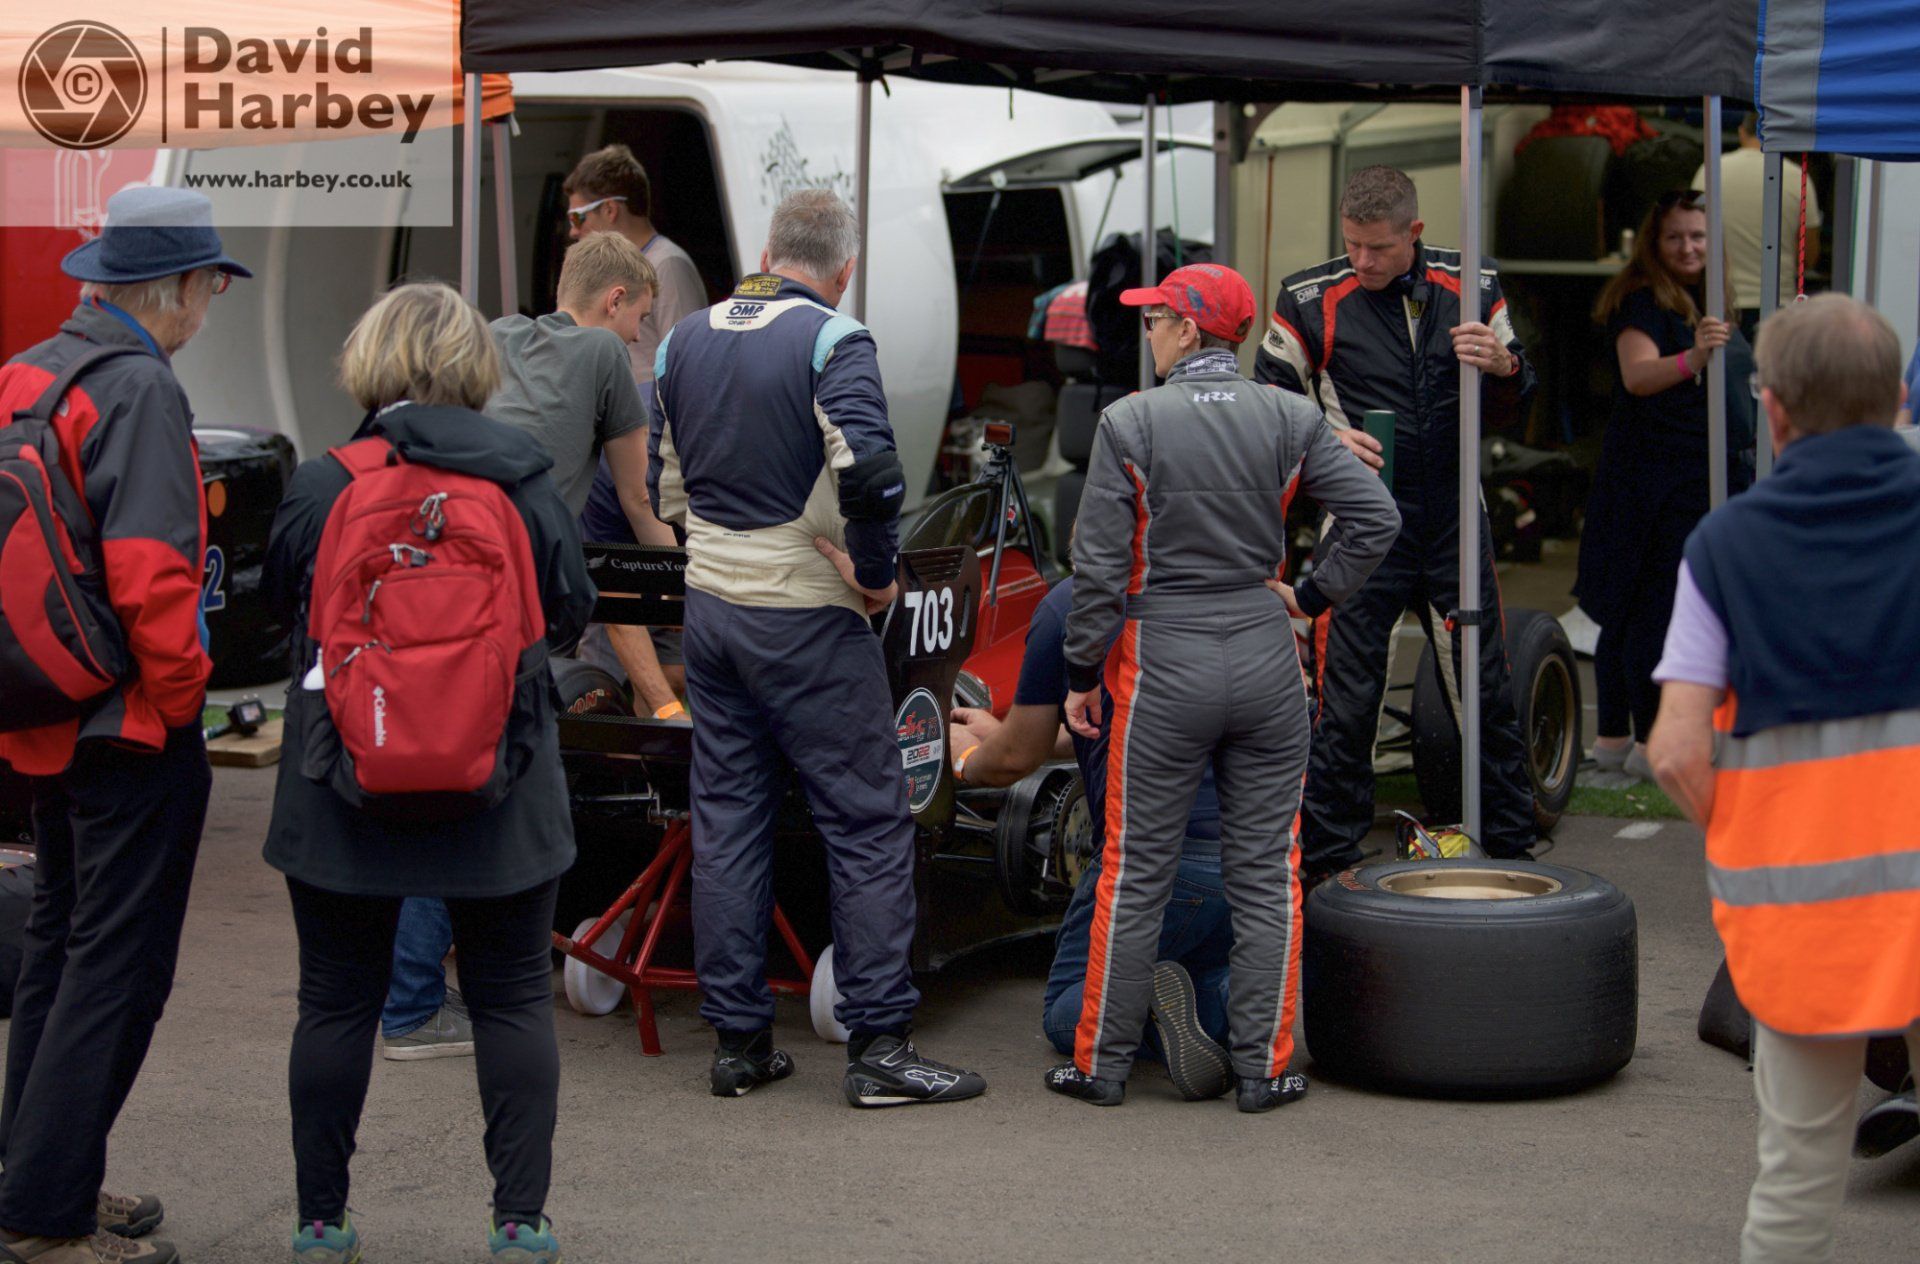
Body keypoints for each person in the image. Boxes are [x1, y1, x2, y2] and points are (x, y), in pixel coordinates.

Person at [262, 283, 594, 1264]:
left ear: (370, 363)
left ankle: (322, 1221)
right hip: (501, 776)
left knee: (333, 1001)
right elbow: (568, 608)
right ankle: (518, 1223)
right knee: (511, 999)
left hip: (342, 776)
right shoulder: (524, 479)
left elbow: (286, 606)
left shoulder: (325, 482)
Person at [650, 188, 985, 1107]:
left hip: (712, 609)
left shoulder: (684, 337)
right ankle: (880, 1049)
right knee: (869, 821)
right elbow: (873, 474)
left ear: (766, 248)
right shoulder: (835, 337)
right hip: (807, 613)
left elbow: (661, 477)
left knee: (727, 818)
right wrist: (877, 575)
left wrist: (717, 553)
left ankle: (739, 1046)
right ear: (846, 269)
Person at [1052, 262, 1400, 1111]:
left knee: (1133, 871)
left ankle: (1099, 1066)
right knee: (1270, 871)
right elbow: (1377, 518)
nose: (1148, 330)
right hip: (1263, 651)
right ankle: (1264, 1068)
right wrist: (1312, 593)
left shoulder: (1127, 421)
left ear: (1191, 330)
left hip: (1160, 660)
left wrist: (1078, 671)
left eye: (1157, 317)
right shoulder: (1289, 416)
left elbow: (1096, 571)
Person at [0, 187, 247, 1264]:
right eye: (210, 286)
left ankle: (39, 1174)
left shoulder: (28, 370)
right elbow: (153, 578)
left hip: (41, 707)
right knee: (117, 967)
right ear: (182, 287)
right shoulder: (142, 386)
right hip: (130, 723)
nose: (210, 307)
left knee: (59, 949)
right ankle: (44, 1215)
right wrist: (183, 699)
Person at [1646, 294, 1918, 1263]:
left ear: (1772, 410)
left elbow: (1676, 748)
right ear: (1897, 398)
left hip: (1812, 912)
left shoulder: (1724, 550)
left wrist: (1754, 828)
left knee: (1797, 1178)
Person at [379, 233, 679, 1064]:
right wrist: (699, 571)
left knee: (447, 794)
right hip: (511, 611)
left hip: (432, 593)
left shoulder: (494, 336)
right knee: (493, 810)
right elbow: (632, 504)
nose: (638, 339)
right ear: (615, 299)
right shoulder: (602, 357)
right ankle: (414, 1004)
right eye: (640, 321)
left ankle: (432, 988)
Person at [1254, 164, 1537, 880]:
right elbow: (1263, 409)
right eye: (1351, 245)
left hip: (1452, 517)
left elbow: (1519, 400)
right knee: (1345, 701)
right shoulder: (1308, 296)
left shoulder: (1473, 283)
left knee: (1486, 685)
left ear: (1414, 232)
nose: (1363, 261)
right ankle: (1328, 863)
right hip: (1358, 522)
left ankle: (1512, 847)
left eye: (1378, 248)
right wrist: (1323, 437)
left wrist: (1506, 366)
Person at [948, 571, 1236, 1101]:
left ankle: (1167, 1010)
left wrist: (963, 756)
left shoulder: (1071, 605)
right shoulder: (1231, 588)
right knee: (1204, 968)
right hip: (1252, 860)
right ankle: (1241, 1010)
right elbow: (1116, 720)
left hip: (1149, 860)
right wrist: (1006, 732)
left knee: (1065, 1014)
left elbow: (1014, 760)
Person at [1576, 190, 1753, 782]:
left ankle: (1621, 741)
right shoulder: (1641, 301)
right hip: (1649, 483)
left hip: (1695, 477)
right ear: (1655, 242)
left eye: (1698, 237)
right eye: (1676, 236)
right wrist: (1695, 359)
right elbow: (1637, 375)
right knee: (1643, 609)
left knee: (1646, 609)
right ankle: (1641, 742)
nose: (1688, 247)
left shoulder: (1711, 297)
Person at [563, 143, 709, 387]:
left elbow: (689, 366)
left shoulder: (668, 265)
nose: (573, 230)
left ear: (610, 209)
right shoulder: (610, 269)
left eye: (578, 217)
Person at [1691, 113, 1822, 338]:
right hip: (1779, 305)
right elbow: (1808, 257)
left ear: (1742, 131)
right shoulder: (1796, 177)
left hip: (1719, 304)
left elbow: (1692, 234)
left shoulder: (1710, 170)